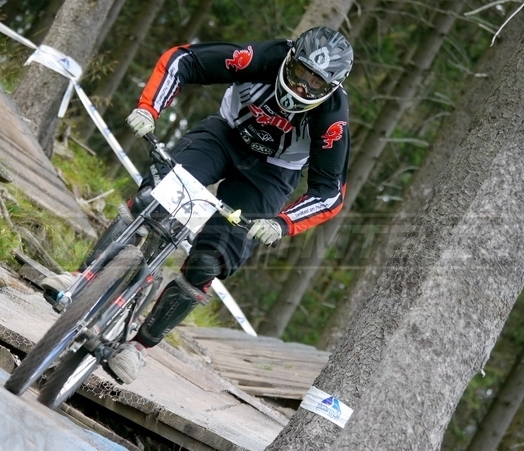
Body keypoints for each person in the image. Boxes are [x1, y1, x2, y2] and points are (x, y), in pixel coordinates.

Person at [44, 26, 353, 384]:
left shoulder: (332, 118)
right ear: (290, 58)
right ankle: (82, 278)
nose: (302, 88)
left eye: (316, 84)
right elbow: (184, 60)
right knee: (153, 199)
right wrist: (149, 108)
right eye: (300, 73)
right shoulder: (264, 58)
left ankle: (139, 347)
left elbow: (329, 192)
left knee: (209, 261)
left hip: (271, 174)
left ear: (331, 87)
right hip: (224, 136)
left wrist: (282, 223)